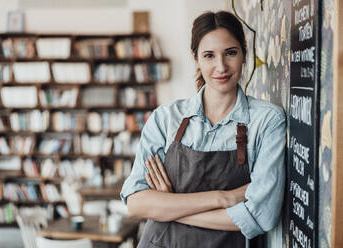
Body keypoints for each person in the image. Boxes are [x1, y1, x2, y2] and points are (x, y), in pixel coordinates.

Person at [120, 10, 286, 248]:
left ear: (244, 54)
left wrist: (170, 206)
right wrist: (224, 198)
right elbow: (136, 202)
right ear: (196, 58)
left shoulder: (267, 121)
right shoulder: (166, 118)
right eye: (209, 55)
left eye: (230, 53)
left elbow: (261, 216)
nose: (221, 66)